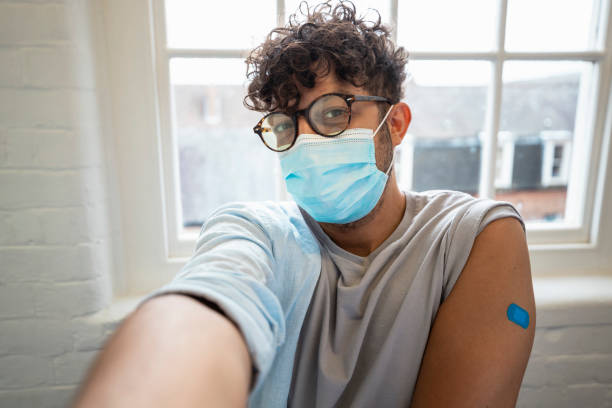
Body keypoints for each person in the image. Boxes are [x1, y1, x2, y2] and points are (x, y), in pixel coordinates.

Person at [71, 1, 536, 407]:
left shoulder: (471, 236)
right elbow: (207, 307)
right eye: (286, 125)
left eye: (333, 112)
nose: (306, 140)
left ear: (394, 123)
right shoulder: (257, 234)